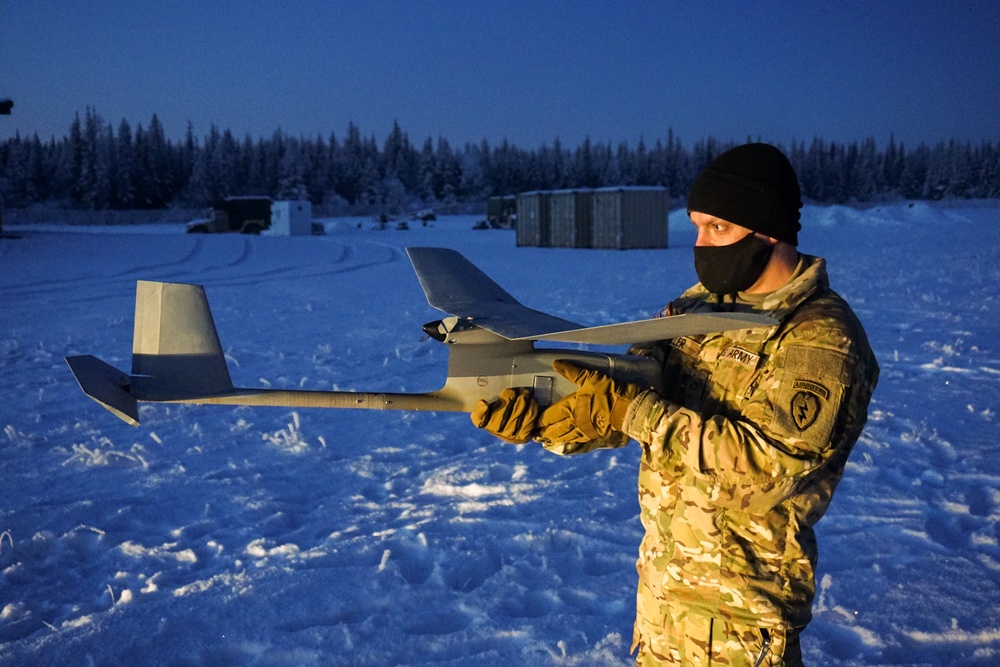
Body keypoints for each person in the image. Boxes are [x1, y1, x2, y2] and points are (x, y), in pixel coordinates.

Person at [471, 143, 879, 666]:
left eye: (719, 228)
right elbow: (624, 400)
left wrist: (631, 411)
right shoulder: (695, 309)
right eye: (696, 226)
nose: (701, 244)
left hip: (738, 623)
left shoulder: (819, 336)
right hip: (664, 603)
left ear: (769, 227)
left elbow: (772, 469)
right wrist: (545, 418)